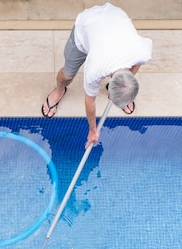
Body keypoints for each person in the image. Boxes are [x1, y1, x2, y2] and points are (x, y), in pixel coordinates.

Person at [41, 3, 152, 147]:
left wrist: (125, 88)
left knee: (126, 80)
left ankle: (123, 89)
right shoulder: (96, 68)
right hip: (86, 26)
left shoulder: (142, 53)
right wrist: (92, 131)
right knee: (67, 75)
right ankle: (59, 90)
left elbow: (138, 63)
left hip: (114, 17)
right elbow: (89, 101)